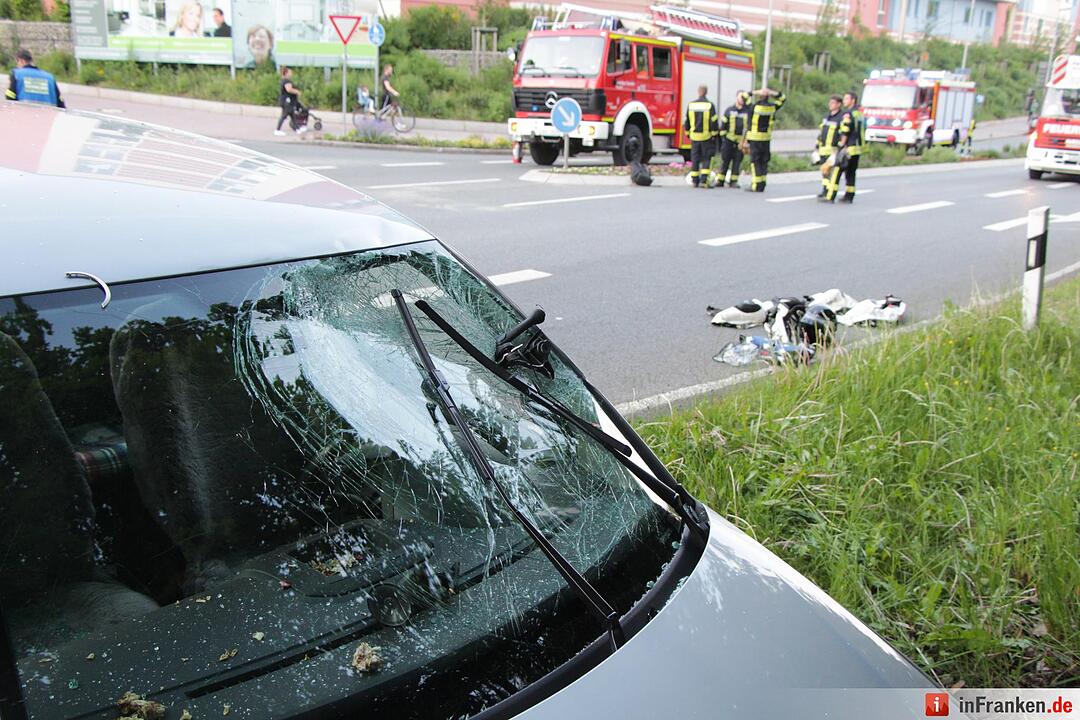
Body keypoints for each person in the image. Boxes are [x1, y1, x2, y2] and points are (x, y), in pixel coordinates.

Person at [744, 87, 786, 192]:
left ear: (759, 96)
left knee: (755, 161)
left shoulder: (754, 107)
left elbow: (744, 96)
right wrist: (772, 92)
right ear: (768, 97)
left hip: (755, 138)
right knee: (764, 161)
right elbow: (783, 98)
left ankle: (756, 185)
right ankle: (762, 184)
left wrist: (755, 92)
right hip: (766, 139)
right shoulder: (772, 107)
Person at [682, 84, 718, 189]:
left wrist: (688, 133)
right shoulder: (710, 105)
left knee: (695, 159)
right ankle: (703, 181)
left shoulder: (691, 105)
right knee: (706, 158)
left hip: (694, 137)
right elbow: (714, 122)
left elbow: (687, 121)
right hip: (706, 137)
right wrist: (714, 134)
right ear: (706, 92)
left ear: (698, 92)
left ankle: (694, 181)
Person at [715, 90, 750, 188]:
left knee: (737, 162)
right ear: (736, 97)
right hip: (729, 140)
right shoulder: (729, 110)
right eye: (740, 97)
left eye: (744, 98)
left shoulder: (747, 111)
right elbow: (723, 126)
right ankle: (720, 180)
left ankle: (733, 181)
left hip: (741, 142)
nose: (742, 99)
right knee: (725, 160)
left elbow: (749, 127)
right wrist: (723, 139)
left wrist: (747, 141)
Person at [816, 95, 847, 203]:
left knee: (832, 173)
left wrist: (840, 146)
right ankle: (825, 190)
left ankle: (831, 194)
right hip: (823, 149)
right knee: (824, 172)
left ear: (839, 104)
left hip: (833, 150)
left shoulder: (841, 118)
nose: (830, 105)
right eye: (830, 102)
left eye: (833, 103)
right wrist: (817, 145)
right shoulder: (827, 117)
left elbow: (844, 133)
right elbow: (821, 132)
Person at [836, 91, 865, 202]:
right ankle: (850, 194)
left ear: (852, 100)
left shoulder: (848, 114)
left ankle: (833, 193)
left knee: (841, 171)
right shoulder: (859, 113)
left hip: (849, 148)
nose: (844, 101)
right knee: (852, 173)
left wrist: (841, 144)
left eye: (846, 99)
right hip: (857, 148)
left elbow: (845, 130)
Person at [275, 66, 305, 136]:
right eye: (290, 72)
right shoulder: (286, 81)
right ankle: (277, 130)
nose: (291, 74)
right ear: (286, 73)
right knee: (284, 115)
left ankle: (297, 129)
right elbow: (289, 89)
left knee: (292, 115)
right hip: (287, 101)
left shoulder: (284, 80)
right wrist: (297, 92)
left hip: (288, 101)